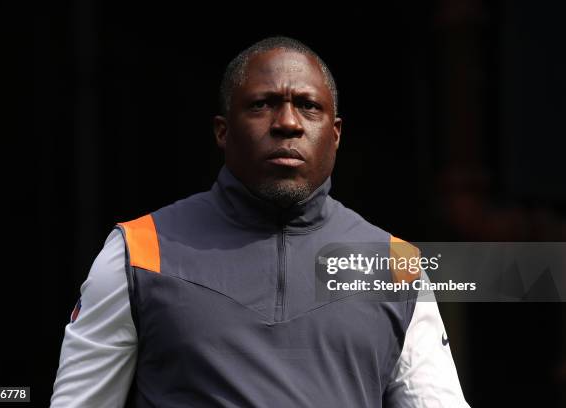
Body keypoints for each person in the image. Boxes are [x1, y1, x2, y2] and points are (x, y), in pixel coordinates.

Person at [51, 36, 470, 407]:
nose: (287, 123)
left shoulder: (395, 265)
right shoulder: (139, 250)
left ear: (335, 133)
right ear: (222, 131)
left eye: (307, 106)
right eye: (261, 105)